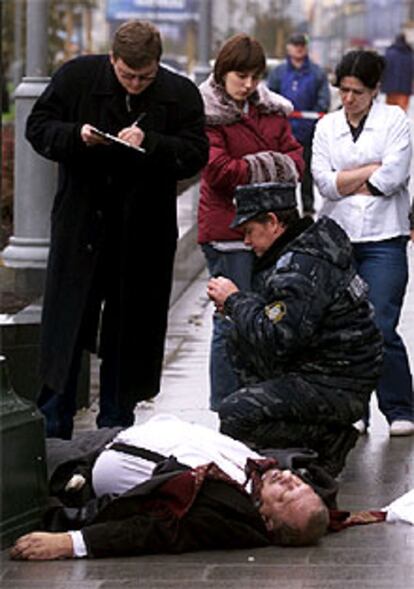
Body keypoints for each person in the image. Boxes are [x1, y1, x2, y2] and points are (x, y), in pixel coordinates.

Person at [25, 20, 209, 439]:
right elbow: (38, 127)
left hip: (142, 234)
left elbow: (196, 152)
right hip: (81, 226)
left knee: (131, 331)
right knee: (68, 326)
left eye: (145, 77)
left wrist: (152, 142)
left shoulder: (178, 93)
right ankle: (54, 425)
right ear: (112, 60)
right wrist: (77, 135)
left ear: (158, 66)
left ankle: (117, 425)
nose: (136, 84)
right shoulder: (77, 77)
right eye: (127, 75)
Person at [207, 182, 383, 476]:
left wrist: (234, 301)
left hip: (335, 382)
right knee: (241, 344)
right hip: (334, 373)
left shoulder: (300, 266)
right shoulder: (304, 248)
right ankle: (305, 447)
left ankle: (322, 445)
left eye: (249, 230)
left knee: (236, 413)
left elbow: (279, 338)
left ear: (273, 222)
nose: (247, 242)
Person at [9, 414, 332, 560]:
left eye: (288, 494)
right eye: (301, 485)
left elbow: (153, 531)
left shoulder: (223, 514)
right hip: (118, 435)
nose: (291, 480)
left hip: (81, 462)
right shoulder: (262, 475)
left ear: (268, 521)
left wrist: (69, 543)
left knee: (13, 450)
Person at [197, 33, 304, 411]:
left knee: (267, 319)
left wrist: (260, 164)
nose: (248, 85)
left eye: (255, 76)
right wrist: (273, 163)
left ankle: (258, 403)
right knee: (231, 319)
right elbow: (220, 172)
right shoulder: (208, 111)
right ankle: (226, 406)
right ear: (223, 72)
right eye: (240, 76)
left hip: (272, 234)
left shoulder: (271, 109)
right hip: (229, 233)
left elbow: (297, 160)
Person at [312, 50, 414, 436]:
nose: (349, 98)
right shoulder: (327, 126)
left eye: (357, 91)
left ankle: (400, 407)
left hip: (384, 238)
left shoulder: (395, 121)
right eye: (344, 90)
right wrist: (369, 172)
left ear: (375, 90)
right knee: (340, 328)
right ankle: (353, 408)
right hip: (337, 240)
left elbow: (392, 178)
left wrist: (349, 179)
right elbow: (324, 184)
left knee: (380, 324)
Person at [267, 33, 330, 215]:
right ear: (288, 47)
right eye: (295, 44)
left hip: (308, 133)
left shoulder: (317, 73)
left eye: (302, 44)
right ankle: (285, 208)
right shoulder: (278, 72)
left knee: (307, 172)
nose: (298, 48)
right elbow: (271, 97)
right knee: (283, 172)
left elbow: (323, 100)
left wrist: (314, 119)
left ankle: (308, 207)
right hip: (284, 133)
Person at [381, 33, 414, 112]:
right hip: (404, 89)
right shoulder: (410, 55)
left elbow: (383, 70)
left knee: (390, 113)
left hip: (390, 89)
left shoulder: (388, 54)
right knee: (401, 114)